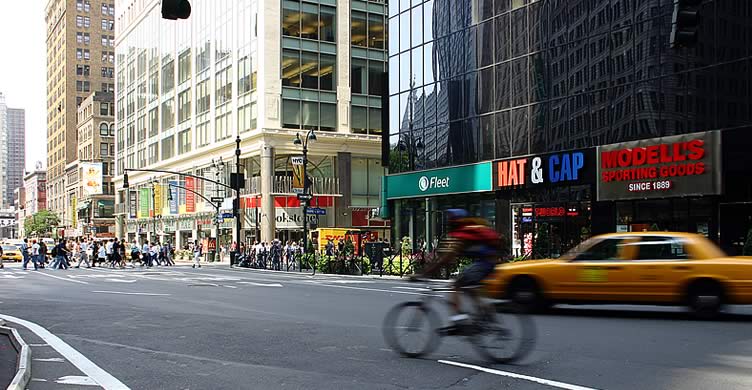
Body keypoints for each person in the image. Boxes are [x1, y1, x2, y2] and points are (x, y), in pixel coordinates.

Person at [410, 209, 501, 331]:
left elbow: (446, 258)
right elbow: (449, 257)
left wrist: (423, 273)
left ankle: (459, 321)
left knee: (456, 285)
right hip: (488, 262)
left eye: (450, 220)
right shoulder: (469, 231)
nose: (448, 223)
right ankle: (486, 315)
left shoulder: (463, 234)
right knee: (470, 287)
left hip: (485, 263)